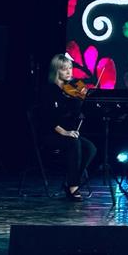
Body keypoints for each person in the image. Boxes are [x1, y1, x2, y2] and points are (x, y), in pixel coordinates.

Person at [42, 54, 96, 201]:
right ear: (56, 71)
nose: (68, 72)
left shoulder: (74, 87)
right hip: (52, 134)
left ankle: (70, 180)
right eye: (64, 69)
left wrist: (84, 99)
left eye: (70, 68)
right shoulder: (49, 91)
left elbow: (78, 112)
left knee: (90, 148)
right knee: (74, 143)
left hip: (69, 134)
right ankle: (73, 186)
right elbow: (48, 119)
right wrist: (65, 132)